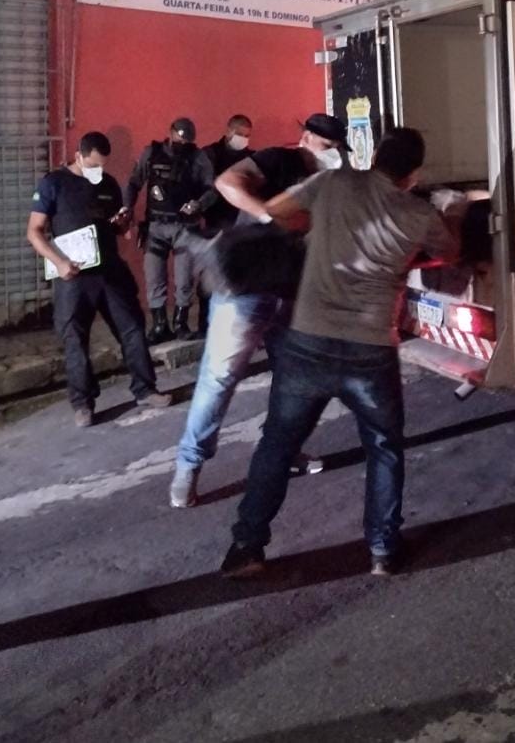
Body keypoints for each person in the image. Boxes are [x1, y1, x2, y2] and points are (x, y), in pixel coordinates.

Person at [220, 127, 458, 579]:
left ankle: (246, 547)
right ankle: (383, 550)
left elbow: (274, 212)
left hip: (307, 343)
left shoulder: (331, 183)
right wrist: (454, 212)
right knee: (383, 447)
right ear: (413, 174)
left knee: (278, 443)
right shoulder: (418, 211)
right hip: (370, 350)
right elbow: (450, 251)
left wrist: (321, 230)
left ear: (375, 156)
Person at [169, 113, 353, 509]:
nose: (334, 154)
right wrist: (273, 217)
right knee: (219, 379)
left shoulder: (328, 181)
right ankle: (189, 467)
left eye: (339, 149)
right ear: (305, 138)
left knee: (292, 382)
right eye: (328, 146)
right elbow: (227, 183)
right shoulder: (275, 161)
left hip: (293, 293)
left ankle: (282, 454)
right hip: (246, 289)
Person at [26, 132, 172, 427]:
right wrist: (59, 262)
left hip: (110, 271)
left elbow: (118, 226)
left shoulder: (107, 184)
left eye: (101, 167)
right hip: (74, 276)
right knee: (75, 339)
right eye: (92, 165)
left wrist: (121, 223)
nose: (97, 172)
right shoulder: (53, 184)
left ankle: (145, 389)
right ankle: (83, 404)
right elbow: (34, 231)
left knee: (132, 329)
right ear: (78, 155)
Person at [125, 117, 216, 343]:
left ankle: (181, 323)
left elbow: (211, 189)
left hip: (186, 227)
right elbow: (134, 183)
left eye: (187, 139)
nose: (181, 142)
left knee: (184, 279)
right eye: (179, 136)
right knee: (154, 277)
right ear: (171, 132)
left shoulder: (198, 157)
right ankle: (159, 325)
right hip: (156, 226)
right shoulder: (152, 153)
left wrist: (199, 204)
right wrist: (126, 208)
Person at [195, 114, 256, 337]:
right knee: (210, 278)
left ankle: (238, 325)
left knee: (239, 278)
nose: (245, 140)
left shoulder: (252, 157)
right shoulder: (210, 154)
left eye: (248, 136)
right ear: (230, 131)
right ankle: (205, 325)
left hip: (241, 226)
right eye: (241, 135)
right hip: (215, 224)